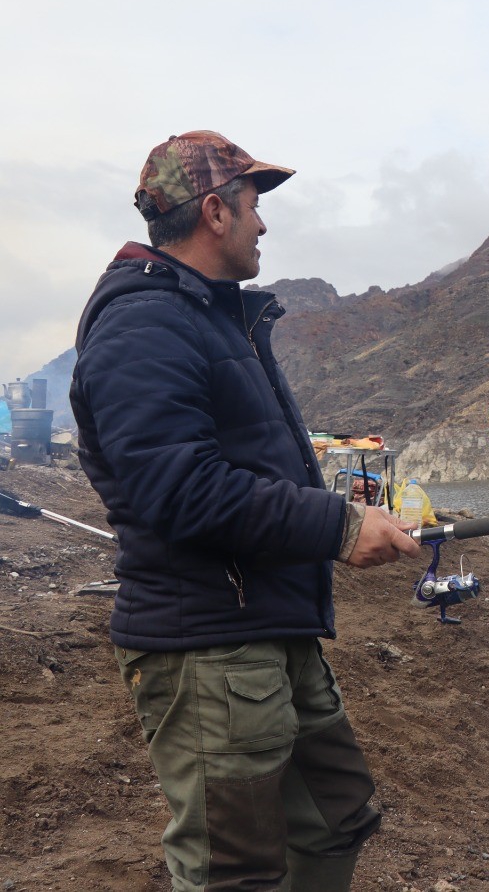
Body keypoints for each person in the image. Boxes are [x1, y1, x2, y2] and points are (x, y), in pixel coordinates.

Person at [70, 130, 421, 892]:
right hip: (208, 648)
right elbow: (179, 487)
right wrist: (337, 525)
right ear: (214, 212)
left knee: (336, 819)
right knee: (233, 874)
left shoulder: (212, 319)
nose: (264, 222)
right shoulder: (143, 324)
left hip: (267, 625)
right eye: (255, 204)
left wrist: (340, 515)